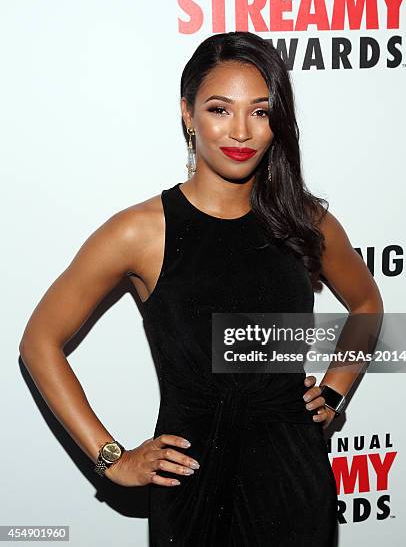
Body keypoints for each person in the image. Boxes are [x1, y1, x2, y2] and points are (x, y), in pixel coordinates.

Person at [19, 30, 383, 546]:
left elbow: (367, 303)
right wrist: (112, 459)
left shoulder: (306, 221)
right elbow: (39, 342)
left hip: (293, 479)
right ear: (188, 114)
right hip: (190, 485)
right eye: (219, 109)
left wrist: (334, 389)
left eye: (260, 112)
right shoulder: (141, 231)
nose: (240, 131)